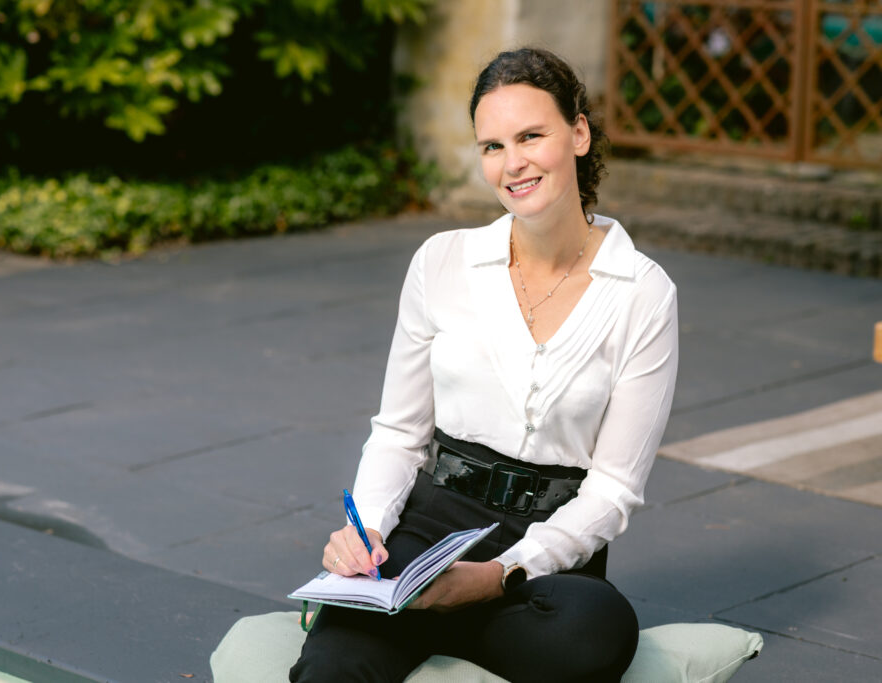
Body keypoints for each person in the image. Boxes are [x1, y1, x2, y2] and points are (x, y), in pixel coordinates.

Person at [290, 47, 678, 683]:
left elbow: (612, 491)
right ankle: (405, 612)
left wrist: (501, 575)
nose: (512, 163)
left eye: (531, 136)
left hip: (548, 549)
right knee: (331, 670)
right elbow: (398, 432)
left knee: (595, 633)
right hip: (433, 529)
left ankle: (423, 621)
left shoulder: (643, 292)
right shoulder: (442, 262)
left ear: (578, 133)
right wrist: (364, 530)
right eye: (492, 146)